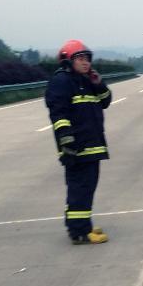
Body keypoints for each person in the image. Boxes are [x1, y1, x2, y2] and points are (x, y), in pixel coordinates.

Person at [45, 39, 112, 244]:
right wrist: (67, 142)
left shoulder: (86, 81)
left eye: (87, 58)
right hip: (77, 147)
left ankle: (84, 225)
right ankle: (79, 232)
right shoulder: (62, 82)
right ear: (67, 61)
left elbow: (106, 100)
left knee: (86, 187)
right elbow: (59, 114)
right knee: (79, 188)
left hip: (91, 145)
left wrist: (97, 82)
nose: (85, 63)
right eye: (80, 58)